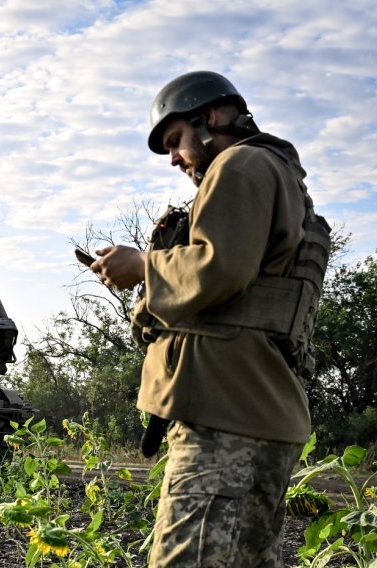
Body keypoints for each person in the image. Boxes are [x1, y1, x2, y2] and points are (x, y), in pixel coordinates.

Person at [90, 71, 330, 566]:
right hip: (251, 415)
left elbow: (219, 266)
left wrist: (142, 266)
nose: (174, 158)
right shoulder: (273, 172)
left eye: (175, 141)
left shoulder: (240, 165)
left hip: (227, 425)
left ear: (211, 117)